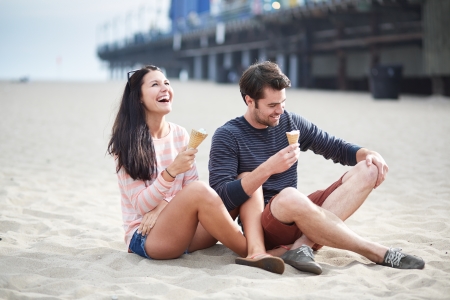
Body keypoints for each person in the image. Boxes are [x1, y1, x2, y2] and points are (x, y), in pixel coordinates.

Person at [208, 61, 425, 275]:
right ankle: (376, 251)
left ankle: (301, 246)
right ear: (249, 101)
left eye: (283, 102)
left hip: (301, 216)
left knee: (369, 169)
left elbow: (335, 148)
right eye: (272, 106)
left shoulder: (291, 122)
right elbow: (221, 199)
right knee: (290, 196)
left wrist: (368, 153)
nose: (280, 111)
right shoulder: (228, 136)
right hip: (265, 224)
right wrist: (268, 168)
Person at [107, 65, 284, 274]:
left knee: (247, 180)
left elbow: (189, 189)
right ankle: (258, 252)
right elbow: (140, 205)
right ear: (138, 97)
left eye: (167, 83)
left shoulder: (180, 134)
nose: (165, 88)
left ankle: (257, 249)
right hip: (147, 237)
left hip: (186, 231)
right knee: (200, 190)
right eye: (155, 84)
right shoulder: (126, 142)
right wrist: (171, 172)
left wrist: (163, 205)